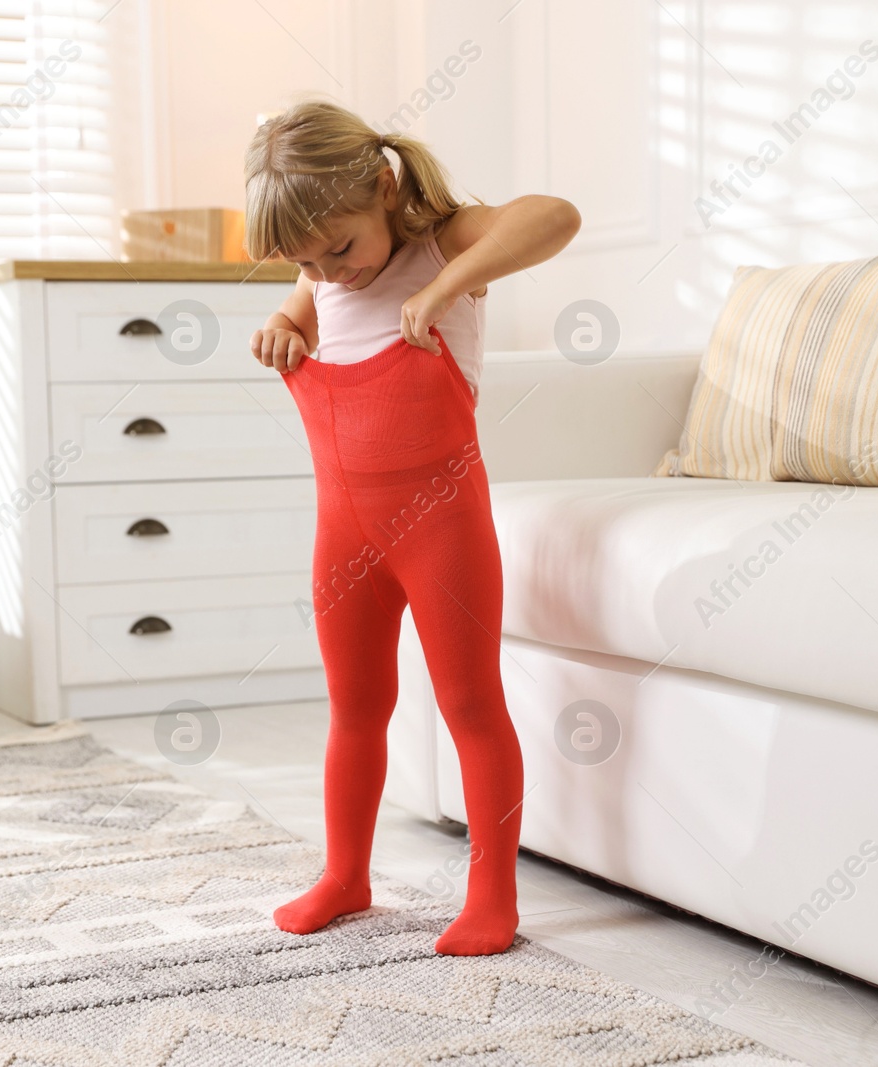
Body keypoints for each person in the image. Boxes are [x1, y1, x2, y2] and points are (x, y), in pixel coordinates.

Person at [243, 99, 581, 956]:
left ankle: (492, 894)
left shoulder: (446, 244)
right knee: (354, 707)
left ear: (385, 188)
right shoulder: (323, 275)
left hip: (442, 531)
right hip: (343, 535)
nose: (332, 273)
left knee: (470, 703)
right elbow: (311, 306)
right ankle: (345, 874)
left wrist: (446, 285)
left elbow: (557, 217)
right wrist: (285, 326)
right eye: (306, 260)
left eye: (341, 247)